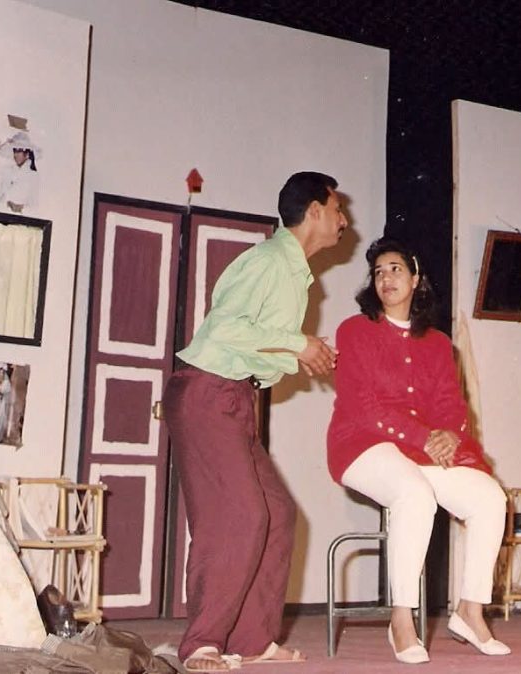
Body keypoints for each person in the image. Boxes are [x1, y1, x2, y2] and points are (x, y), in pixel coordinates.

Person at [162, 171, 347, 670]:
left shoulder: (293, 272)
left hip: (234, 396)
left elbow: (256, 342)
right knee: (239, 517)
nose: (343, 220)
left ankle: (251, 639)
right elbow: (225, 327)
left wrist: (300, 353)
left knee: (277, 513)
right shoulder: (269, 261)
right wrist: (298, 345)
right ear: (314, 212)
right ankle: (202, 643)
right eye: (337, 210)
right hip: (207, 392)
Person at [327, 239, 511, 664]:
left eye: (395, 269)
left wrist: (449, 435)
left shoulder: (438, 343)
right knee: (414, 494)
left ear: (415, 280)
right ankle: (402, 618)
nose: (386, 278)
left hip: (422, 450)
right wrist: (424, 437)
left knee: (490, 498)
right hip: (361, 443)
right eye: (378, 272)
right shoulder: (354, 331)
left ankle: (470, 612)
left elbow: (451, 404)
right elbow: (363, 407)